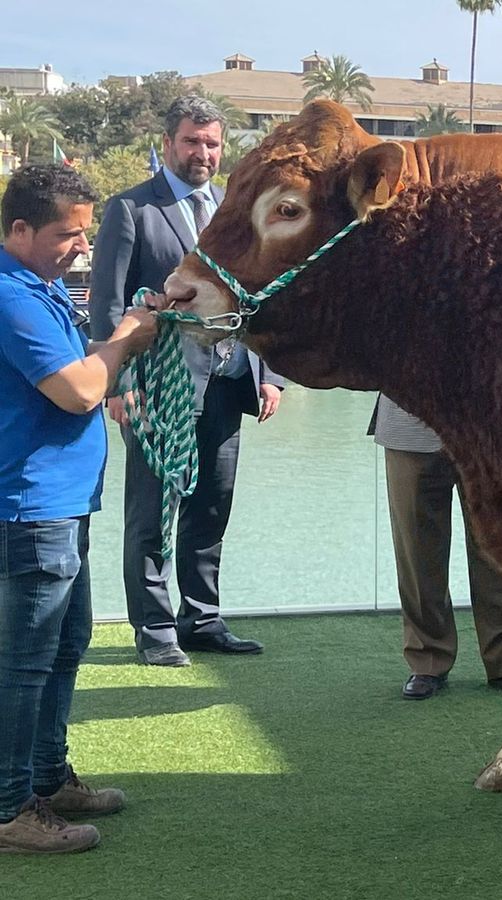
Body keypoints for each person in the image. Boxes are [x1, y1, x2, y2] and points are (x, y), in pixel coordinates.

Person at [90, 96, 285, 667]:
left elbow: (258, 296)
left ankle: (200, 619)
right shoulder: (131, 210)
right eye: (192, 142)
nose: (203, 153)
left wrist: (269, 374)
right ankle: (154, 631)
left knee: (211, 507)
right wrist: (119, 382)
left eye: (212, 144)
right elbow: (106, 304)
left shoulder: (233, 207)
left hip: (231, 379)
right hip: (159, 386)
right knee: (151, 513)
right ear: (170, 143)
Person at [1, 164, 157, 853]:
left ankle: (46, 776)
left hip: (61, 508)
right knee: (24, 664)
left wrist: (130, 332)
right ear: (19, 230)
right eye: (68, 235)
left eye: (84, 236)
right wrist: (126, 340)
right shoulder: (11, 295)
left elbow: (85, 366)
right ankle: (10, 810)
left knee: (65, 647)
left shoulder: (36, 289)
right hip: (32, 512)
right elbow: (78, 391)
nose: (80, 249)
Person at [372, 395, 502, 700]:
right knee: (416, 553)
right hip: (409, 423)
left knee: (500, 548)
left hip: (494, 426)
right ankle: (427, 661)